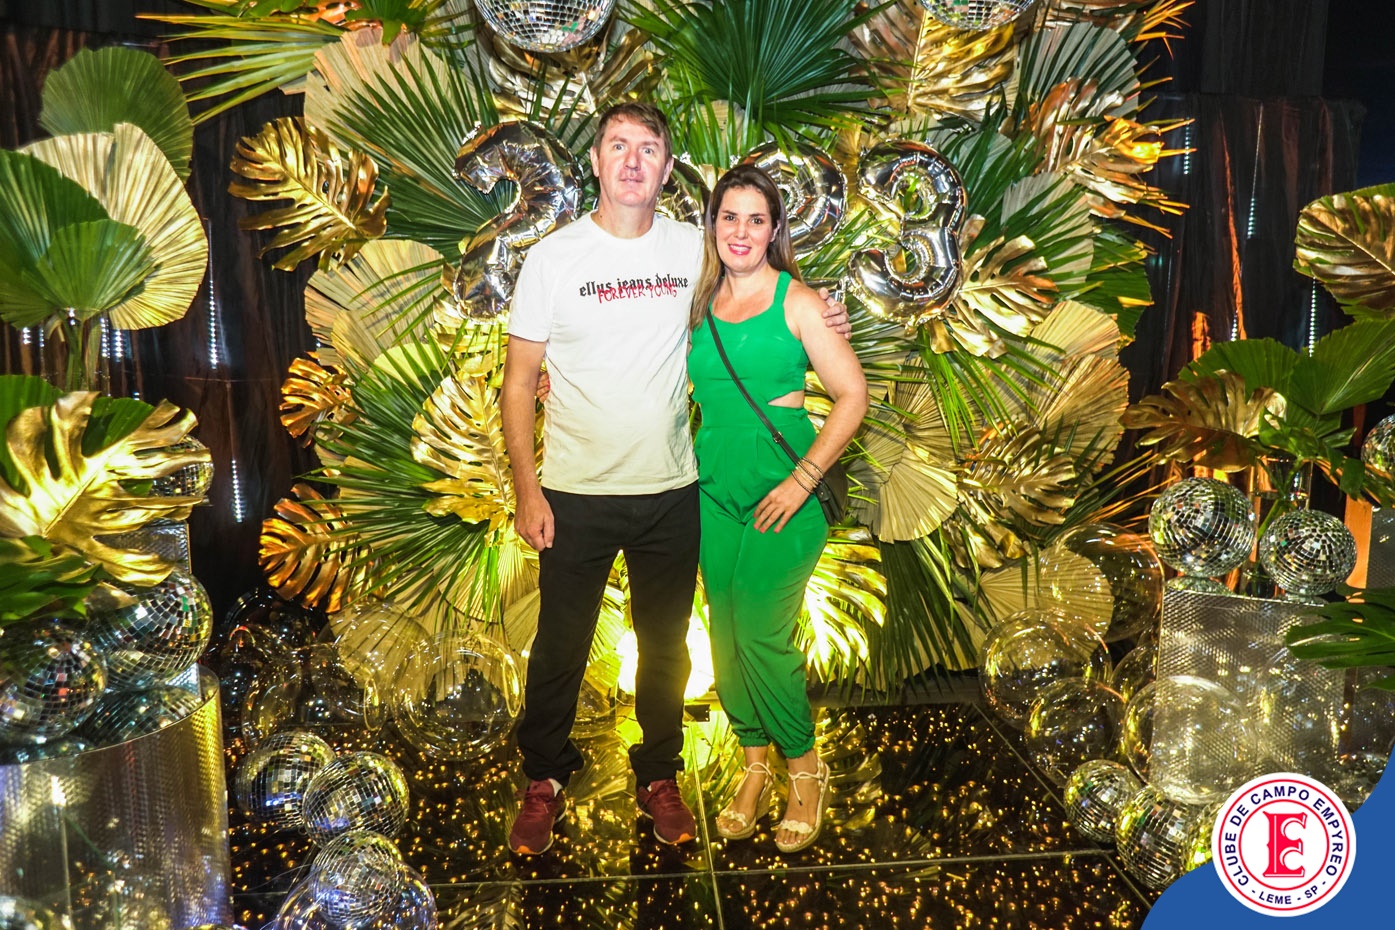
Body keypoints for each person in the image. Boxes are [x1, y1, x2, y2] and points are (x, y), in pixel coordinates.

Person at [500, 102, 849, 856]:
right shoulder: (552, 259)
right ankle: (544, 777)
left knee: (666, 648)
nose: (632, 161)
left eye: (648, 149)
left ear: (665, 168)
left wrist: (828, 317)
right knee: (559, 646)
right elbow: (519, 379)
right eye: (617, 145)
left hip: (672, 489)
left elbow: (765, 291)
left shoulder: (696, 248)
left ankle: (659, 774)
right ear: (595, 161)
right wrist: (527, 489)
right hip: (575, 490)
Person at [688, 164, 868, 853]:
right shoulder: (697, 304)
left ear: (774, 230)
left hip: (785, 493)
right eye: (729, 217)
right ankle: (753, 766)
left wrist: (801, 480)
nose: (740, 231)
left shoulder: (801, 303)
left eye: (755, 219)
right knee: (726, 635)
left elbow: (852, 396)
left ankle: (804, 767)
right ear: (713, 224)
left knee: (763, 634)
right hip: (713, 491)